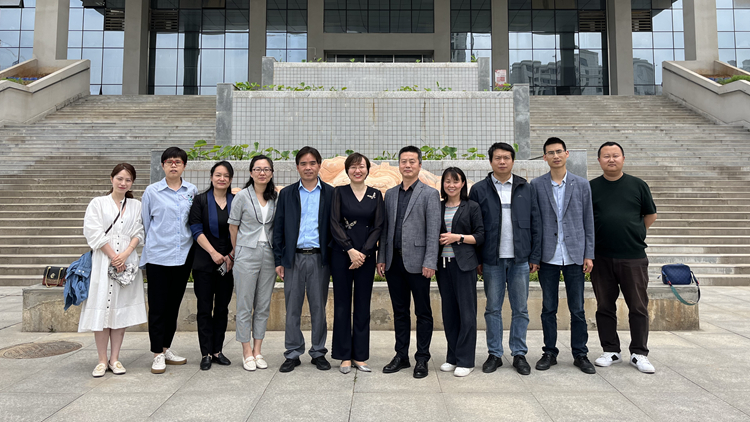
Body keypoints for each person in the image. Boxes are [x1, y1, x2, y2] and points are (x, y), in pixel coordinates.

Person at [469, 142, 541, 376]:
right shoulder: (479, 189)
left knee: (520, 309)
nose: (502, 161)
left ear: (513, 161)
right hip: (492, 259)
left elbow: (536, 223)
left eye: (506, 158)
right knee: (493, 308)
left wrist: (535, 255)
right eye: (498, 158)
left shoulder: (525, 187)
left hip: (520, 259)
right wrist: (477, 258)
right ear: (491, 161)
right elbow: (473, 226)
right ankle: (495, 354)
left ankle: (519, 353)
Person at [590, 141, 657, 374]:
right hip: (601, 257)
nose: (611, 159)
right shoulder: (591, 187)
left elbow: (650, 215)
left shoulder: (638, 185)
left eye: (615, 155)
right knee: (604, 306)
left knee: (638, 306)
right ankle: (611, 350)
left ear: (623, 159)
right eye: (606, 156)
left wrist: (633, 233)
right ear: (599, 160)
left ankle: (639, 353)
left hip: (633, 257)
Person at [530, 137, 596, 374]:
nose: (555, 156)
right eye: (551, 152)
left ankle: (580, 353)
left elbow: (588, 220)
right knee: (549, 307)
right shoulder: (536, 185)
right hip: (548, 256)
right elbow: (535, 223)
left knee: (577, 308)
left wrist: (589, 254)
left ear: (567, 154)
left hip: (574, 254)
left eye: (559, 151)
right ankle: (549, 352)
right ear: (544, 157)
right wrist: (534, 256)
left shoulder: (581, 184)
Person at [377, 145, 441, 379]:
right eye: (403, 161)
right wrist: (381, 258)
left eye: (412, 161)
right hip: (394, 262)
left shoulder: (429, 194)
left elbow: (433, 231)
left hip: (419, 263)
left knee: (423, 312)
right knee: (400, 311)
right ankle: (401, 355)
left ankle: (422, 358)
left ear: (420, 165)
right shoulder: (391, 194)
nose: (407, 165)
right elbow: (385, 229)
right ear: (399, 165)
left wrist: (430, 261)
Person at [81, 163, 147, 377]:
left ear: (132, 183)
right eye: (120, 178)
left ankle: (115, 359)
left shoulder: (136, 205)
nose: (123, 183)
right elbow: (93, 232)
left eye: (128, 180)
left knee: (120, 310)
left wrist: (125, 254)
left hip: (127, 263)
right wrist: (113, 256)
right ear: (111, 179)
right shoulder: (98, 203)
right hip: (103, 261)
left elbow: (139, 231)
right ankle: (101, 360)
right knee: (102, 308)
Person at [273, 146, 335, 373]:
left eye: (312, 163)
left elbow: (335, 228)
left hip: (319, 259)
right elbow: (278, 229)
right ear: (297, 167)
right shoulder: (287, 194)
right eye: (303, 164)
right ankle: (292, 352)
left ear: (319, 165)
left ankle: (318, 352)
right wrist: (279, 260)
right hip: (294, 259)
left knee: (319, 308)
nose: (308, 168)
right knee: (292, 308)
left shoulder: (331, 193)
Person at [140, 147, 197, 374]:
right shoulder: (152, 191)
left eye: (178, 162)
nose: (174, 165)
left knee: (173, 306)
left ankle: (166, 348)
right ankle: (157, 354)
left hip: (183, 256)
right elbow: (146, 224)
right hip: (158, 257)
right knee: (158, 307)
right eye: (170, 162)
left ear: (184, 166)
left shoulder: (191, 190)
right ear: (162, 165)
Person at [330, 153, 384, 374]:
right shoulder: (339, 192)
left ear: (368, 169)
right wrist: (350, 250)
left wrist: (363, 253)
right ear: (347, 170)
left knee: (362, 306)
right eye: (353, 167)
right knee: (342, 305)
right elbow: (334, 223)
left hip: (366, 259)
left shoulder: (375, 195)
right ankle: (344, 355)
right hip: (342, 256)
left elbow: (378, 226)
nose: (357, 170)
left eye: (361, 166)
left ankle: (360, 356)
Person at [229, 155, 277, 372]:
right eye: (258, 169)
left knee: (263, 305)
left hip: (269, 253)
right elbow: (233, 227)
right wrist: (237, 251)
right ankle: (246, 350)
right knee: (244, 304)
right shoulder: (242, 196)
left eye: (266, 169)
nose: (262, 173)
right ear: (251, 172)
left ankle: (258, 350)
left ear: (271, 173)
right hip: (246, 252)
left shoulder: (275, 197)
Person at [436, 167, 484, 377]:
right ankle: (453, 357)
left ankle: (466, 360)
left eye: (455, 181)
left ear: (463, 183)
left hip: (464, 265)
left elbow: (480, 236)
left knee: (467, 313)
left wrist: (458, 237)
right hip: (443, 265)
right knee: (449, 313)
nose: (451, 185)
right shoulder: (438, 206)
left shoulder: (471, 206)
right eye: (447, 181)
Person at [189, 161, 235, 370]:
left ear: (230, 179)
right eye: (218, 175)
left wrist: (231, 255)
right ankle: (205, 352)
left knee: (222, 308)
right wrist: (214, 253)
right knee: (205, 308)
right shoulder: (200, 201)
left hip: (229, 262)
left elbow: (242, 230)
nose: (222, 179)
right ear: (211, 177)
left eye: (226, 175)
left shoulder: (236, 201)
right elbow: (196, 229)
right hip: (205, 262)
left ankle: (217, 350)